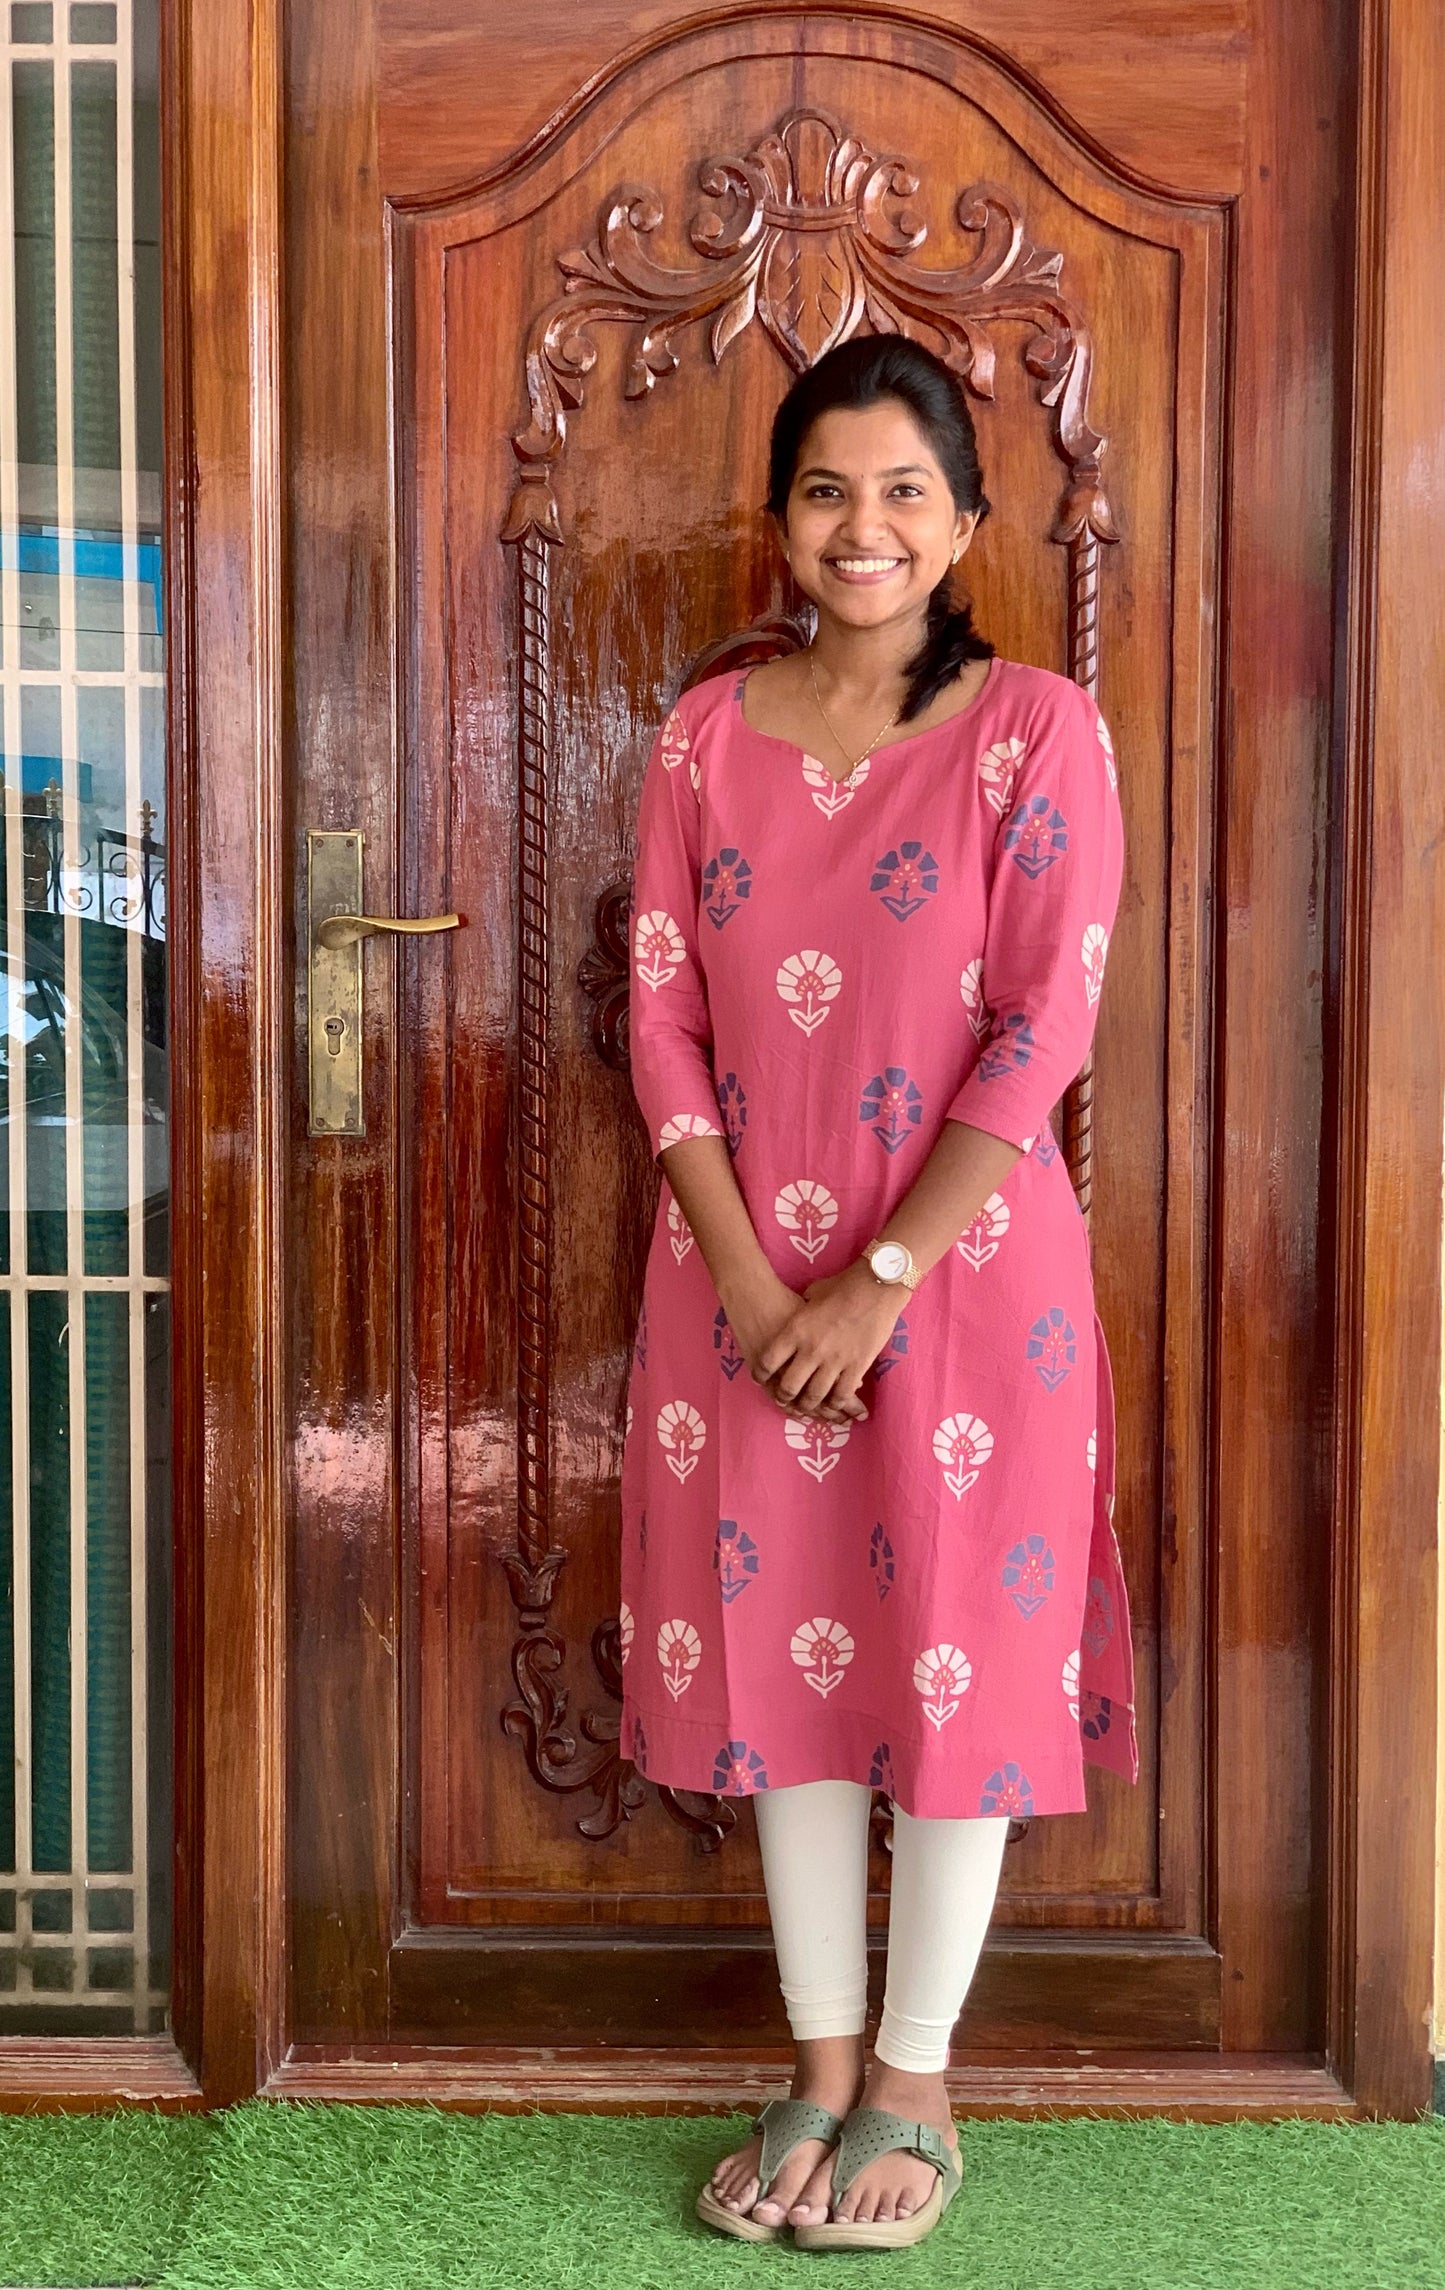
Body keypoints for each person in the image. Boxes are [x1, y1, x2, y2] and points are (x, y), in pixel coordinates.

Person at [617, 334, 1137, 2252]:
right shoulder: (704, 734)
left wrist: (879, 1279)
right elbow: (656, 1009)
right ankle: (820, 2064)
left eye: (905, 491)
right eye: (828, 489)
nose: (865, 527)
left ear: (966, 523)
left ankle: (917, 2073)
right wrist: (756, 1277)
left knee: (951, 1656)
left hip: (971, 1281)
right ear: (779, 520)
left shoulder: (1036, 732)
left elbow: (1042, 1022)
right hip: (735, 1290)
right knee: (791, 1661)